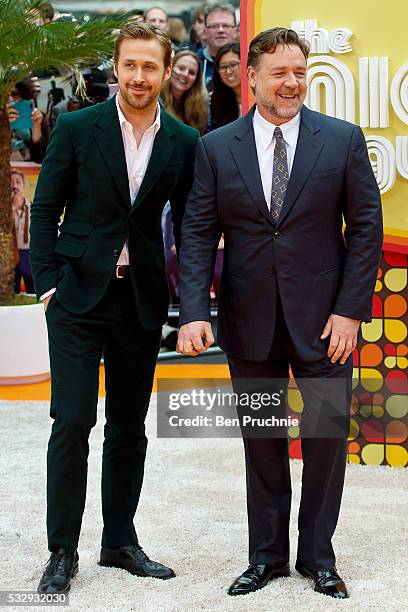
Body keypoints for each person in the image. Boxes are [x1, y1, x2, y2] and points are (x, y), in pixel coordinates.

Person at [177, 27, 383, 599]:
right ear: (252, 77)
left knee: (323, 443)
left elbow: (365, 229)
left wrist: (349, 313)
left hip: (325, 325)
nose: (291, 83)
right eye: (279, 73)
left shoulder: (340, 140)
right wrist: (195, 310)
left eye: (299, 72)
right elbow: (197, 233)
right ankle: (265, 556)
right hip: (250, 323)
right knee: (262, 443)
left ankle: (318, 556)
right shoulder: (216, 147)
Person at [30, 22, 199, 595]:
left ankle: (119, 541)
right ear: (117, 68)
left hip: (140, 298)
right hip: (76, 296)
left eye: (150, 67)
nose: (139, 76)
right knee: (72, 421)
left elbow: (192, 228)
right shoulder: (77, 128)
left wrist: (188, 300)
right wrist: (47, 283)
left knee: (130, 427)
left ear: (165, 72)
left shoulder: (183, 142)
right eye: (130, 65)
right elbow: (46, 203)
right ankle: (61, 551)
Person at [161, 50, 208, 134]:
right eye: (181, 68)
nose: (185, 74)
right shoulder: (156, 100)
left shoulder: (200, 106)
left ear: (196, 80)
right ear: (170, 69)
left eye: (191, 72)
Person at [8, 77, 50, 163]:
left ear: (24, 95)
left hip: (31, 173)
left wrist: (36, 129)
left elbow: (46, 156)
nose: (10, 98)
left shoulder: (38, 117)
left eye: (14, 94)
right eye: (5, 95)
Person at [197, 2, 237, 91]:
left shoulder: (247, 60)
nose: (220, 30)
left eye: (226, 25)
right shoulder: (194, 63)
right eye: (214, 26)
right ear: (204, 31)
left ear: (235, 31)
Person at [11, 170, 34, 294]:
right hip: (11, 254)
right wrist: (12, 207)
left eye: (18, 182)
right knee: (11, 289)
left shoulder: (33, 208)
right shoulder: (4, 212)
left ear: (23, 185)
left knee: (32, 288)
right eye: (11, 183)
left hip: (28, 252)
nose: (14, 186)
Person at [209, 42, 241, 130]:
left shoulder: (259, 97)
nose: (228, 72)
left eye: (233, 65)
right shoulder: (219, 101)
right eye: (223, 67)